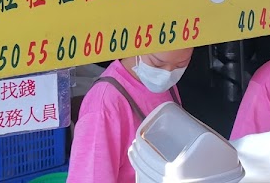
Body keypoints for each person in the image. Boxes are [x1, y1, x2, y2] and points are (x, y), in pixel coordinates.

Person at [67, 47, 194, 183]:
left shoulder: (167, 86)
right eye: (157, 64)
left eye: (180, 65)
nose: (167, 74)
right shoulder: (104, 104)